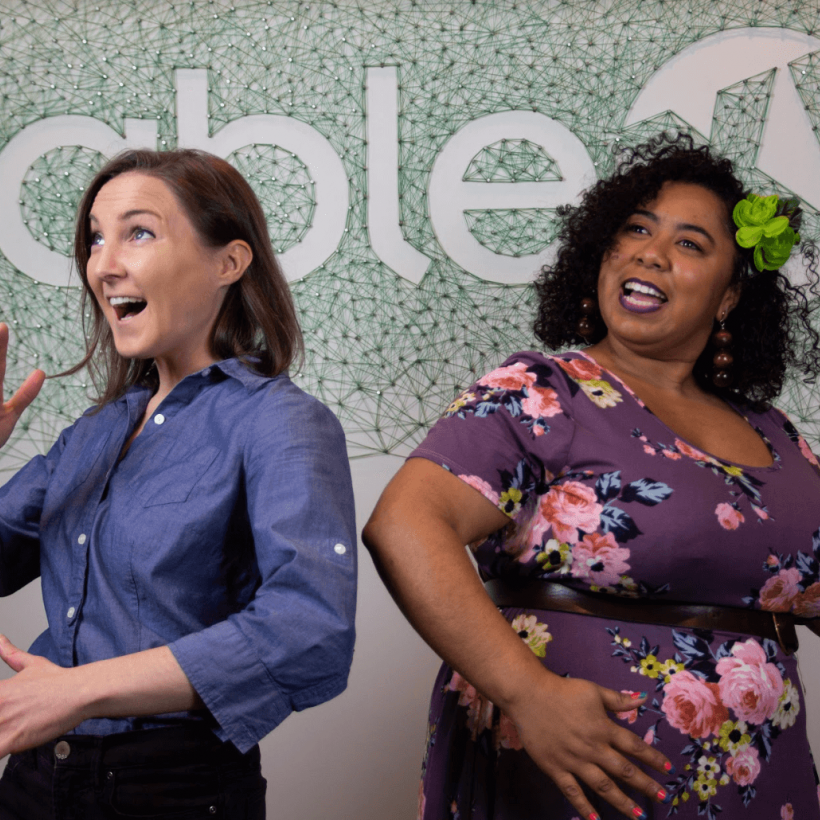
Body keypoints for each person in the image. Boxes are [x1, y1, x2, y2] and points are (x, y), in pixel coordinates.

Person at [363, 134, 820, 820]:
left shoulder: (776, 435)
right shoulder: (545, 393)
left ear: (728, 296)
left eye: (689, 243)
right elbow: (404, 524)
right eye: (635, 229)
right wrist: (528, 693)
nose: (649, 253)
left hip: (758, 789)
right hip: (572, 783)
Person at [0, 148, 356, 818]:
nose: (104, 265)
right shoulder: (94, 432)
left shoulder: (278, 421)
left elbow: (311, 630)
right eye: (96, 239)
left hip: (171, 792)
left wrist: (79, 690)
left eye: (138, 232)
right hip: (32, 782)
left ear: (229, 263)